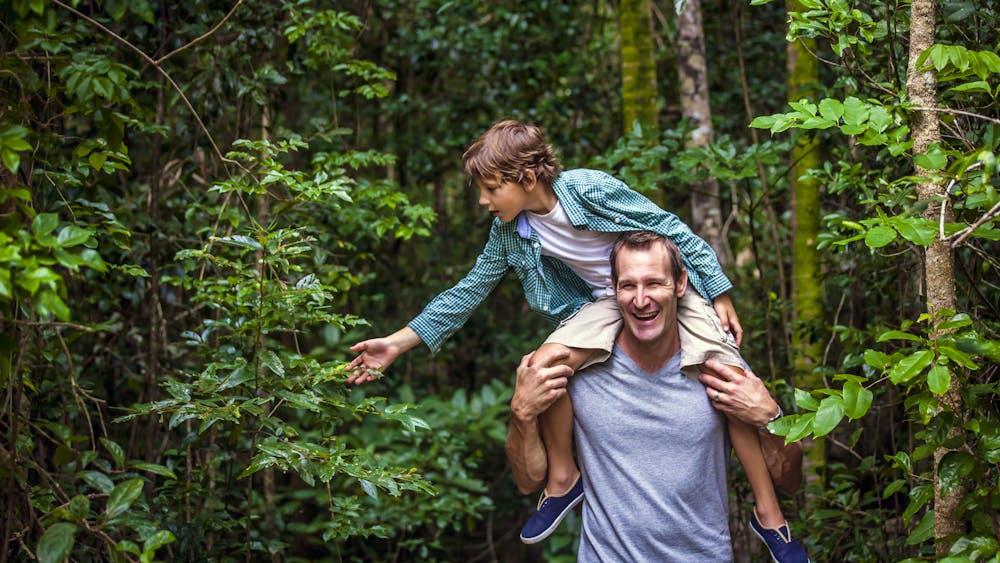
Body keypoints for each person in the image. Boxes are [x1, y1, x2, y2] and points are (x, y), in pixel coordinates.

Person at [346, 120, 792, 554]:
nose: (483, 201)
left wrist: (719, 291)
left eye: (490, 188)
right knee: (544, 364)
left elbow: (669, 227)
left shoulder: (586, 188)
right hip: (603, 302)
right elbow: (469, 290)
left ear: (524, 177)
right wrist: (400, 342)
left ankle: (770, 514)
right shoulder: (509, 232)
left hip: (657, 289)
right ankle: (563, 477)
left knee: (729, 378)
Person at [507, 231, 808, 561]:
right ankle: (564, 481)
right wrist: (521, 414)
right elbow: (526, 481)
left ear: (680, 284)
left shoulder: (718, 372)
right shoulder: (579, 367)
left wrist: (770, 418)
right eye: (628, 285)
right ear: (613, 287)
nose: (640, 300)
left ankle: (769, 516)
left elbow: (790, 479)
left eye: (653, 283)